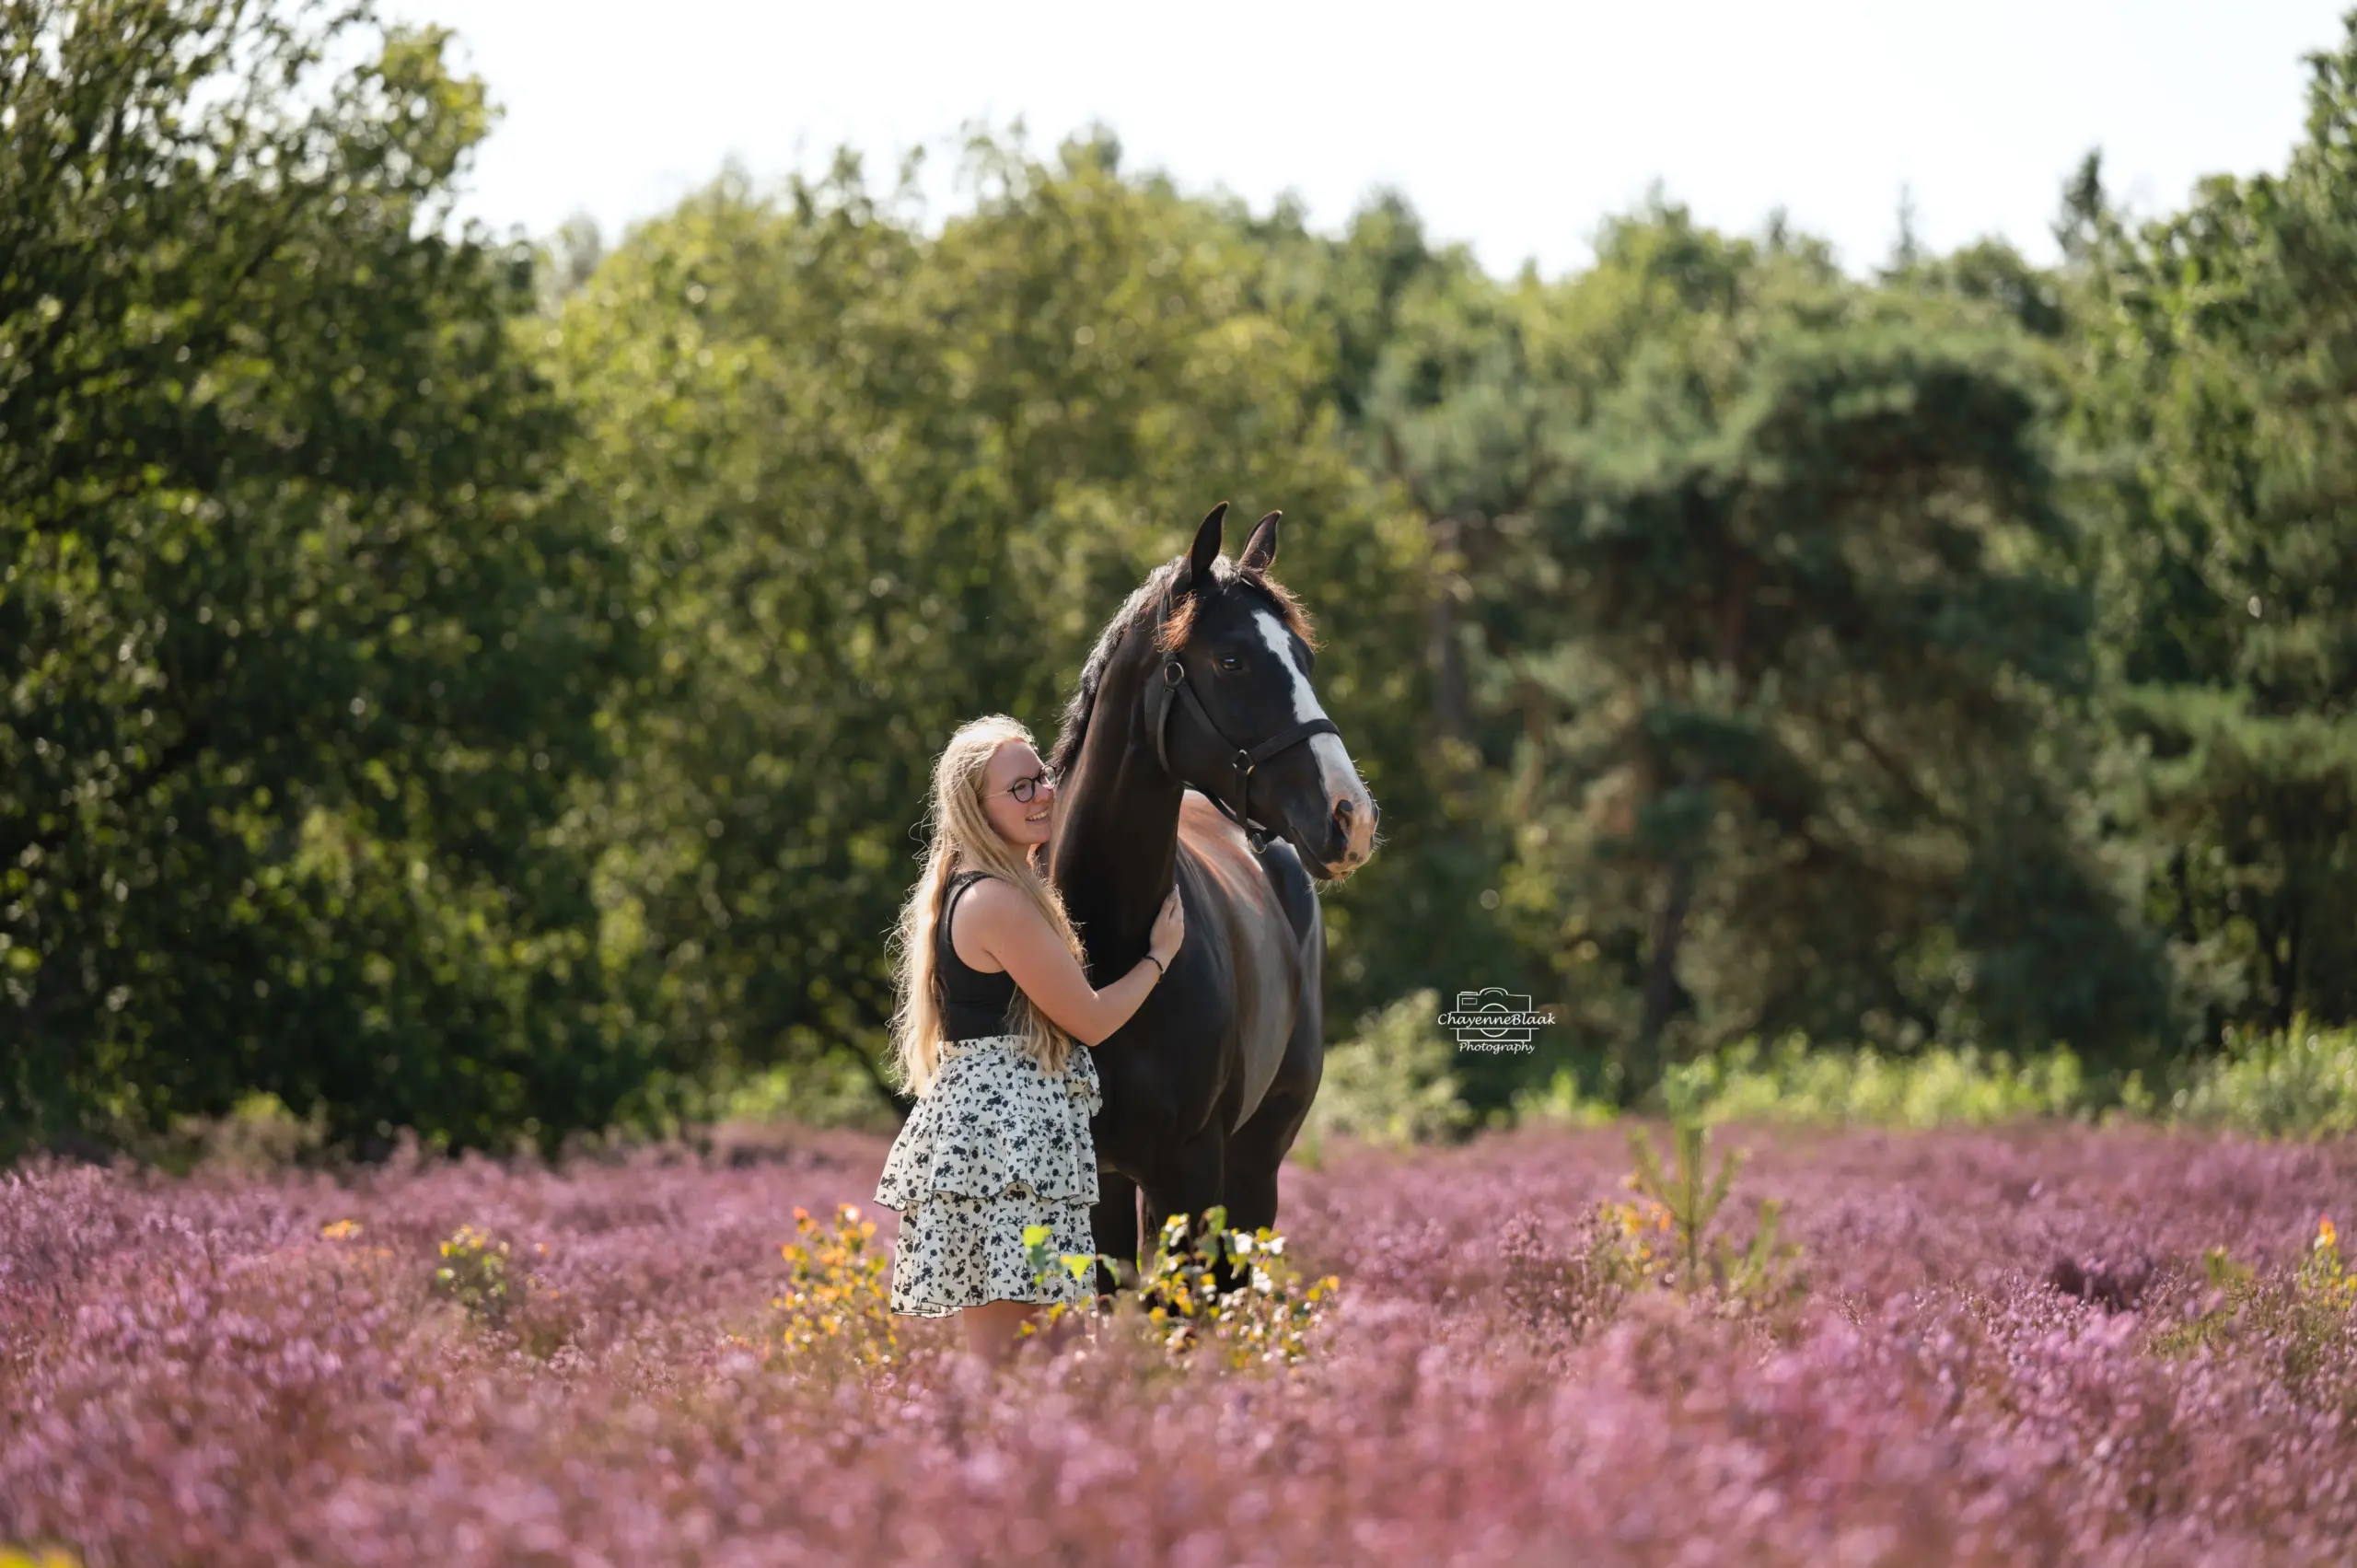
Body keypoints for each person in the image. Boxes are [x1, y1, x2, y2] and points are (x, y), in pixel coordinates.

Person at [872, 714, 1186, 1365]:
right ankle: (970, 1462)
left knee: (1039, 1349)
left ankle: (1007, 1461)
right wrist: (1160, 956)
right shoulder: (996, 902)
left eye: (1042, 776)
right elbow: (1092, 1020)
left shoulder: (992, 890)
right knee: (1010, 1357)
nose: (1043, 792)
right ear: (976, 809)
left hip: (1018, 1153)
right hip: (1005, 1157)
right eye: (1020, 788)